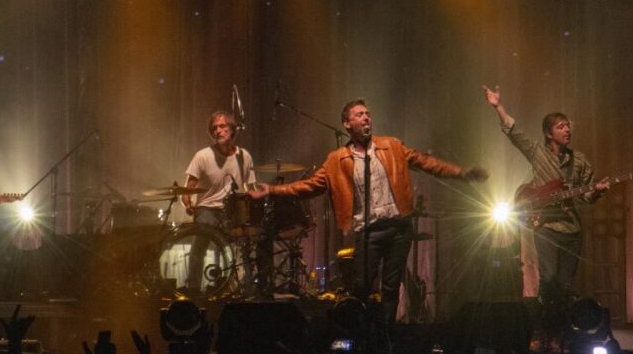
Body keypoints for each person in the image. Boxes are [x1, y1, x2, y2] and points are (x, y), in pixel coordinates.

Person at [250, 98, 487, 330]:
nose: (366, 118)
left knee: (391, 286)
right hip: (369, 230)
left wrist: (462, 174)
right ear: (347, 124)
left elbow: (427, 163)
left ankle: (387, 335)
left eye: (368, 114)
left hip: (398, 227)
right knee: (362, 286)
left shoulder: (391, 146)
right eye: (359, 114)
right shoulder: (337, 159)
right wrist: (272, 190)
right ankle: (362, 335)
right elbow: (309, 186)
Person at [484, 86, 609, 344]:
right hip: (546, 228)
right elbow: (515, 134)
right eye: (561, 126)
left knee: (564, 287)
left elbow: (585, 196)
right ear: (549, 133)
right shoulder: (538, 153)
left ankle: (558, 336)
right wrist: (498, 106)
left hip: (572, 230)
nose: (567, 130)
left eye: (568, 126)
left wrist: (597, 191)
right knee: (548, 279)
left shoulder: (580, 161)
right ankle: (539, 329)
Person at [181, 110, 270, 296]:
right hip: (208, 208)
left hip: (235, 208)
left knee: (250, 241)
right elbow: (188, 188)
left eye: (222, 126)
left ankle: (249, 288)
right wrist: (187, 202)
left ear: (232, 129)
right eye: (214, 128)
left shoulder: (244, 156)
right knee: (202, 240)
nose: (218, 131)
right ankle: (194, 289)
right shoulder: (202, 156)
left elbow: (249, 186)